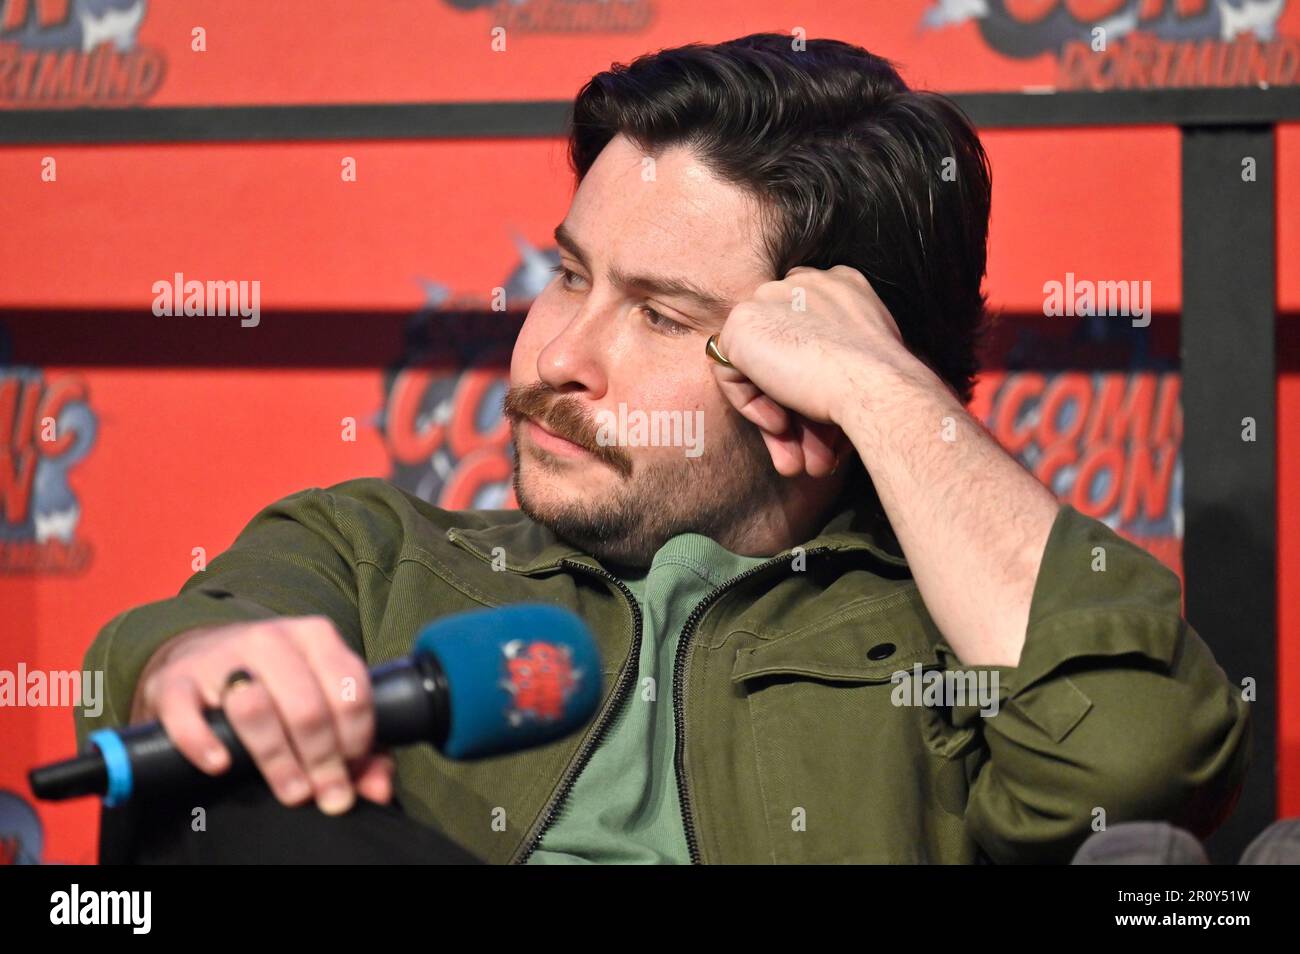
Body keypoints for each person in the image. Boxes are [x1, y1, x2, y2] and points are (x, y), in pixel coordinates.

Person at [77, 32, 1250, 864]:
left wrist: (893, 400)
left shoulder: (947, 663)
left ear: (809, 368)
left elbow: (1133, 771)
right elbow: (179, 649)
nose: (556, 357)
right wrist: (205, 675)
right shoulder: (373, 554)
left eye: (661, 315)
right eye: (568, 275)